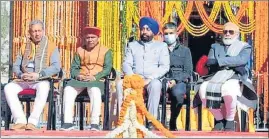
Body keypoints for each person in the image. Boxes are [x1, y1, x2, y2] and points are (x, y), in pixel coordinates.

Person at [196, 22, 257, 131]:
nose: (227, 34)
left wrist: (219, 61)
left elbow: (241, 60)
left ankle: (229, 120)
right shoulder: (215, 46)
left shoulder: (244, 47)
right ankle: (219, 120)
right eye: (225, 31)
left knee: (228, 89)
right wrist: (230, 62)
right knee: (202, 90)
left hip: (235, 75)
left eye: (231, 32)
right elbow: (210, 61)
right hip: (216, 75)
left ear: (237, 34)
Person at [4, 20, 61, 130]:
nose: (37, 33)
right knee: (8, 87)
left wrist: (38, 75)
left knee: (44, 87)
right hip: (24, 80)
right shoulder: (24, 46)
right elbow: (16, 65)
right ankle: (20, 120)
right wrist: (21, 75)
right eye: (34, 31)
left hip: (42, 80)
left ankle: (32, 122)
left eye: (39, 30)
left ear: (43, 31)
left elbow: (56, 67)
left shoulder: (52, 46)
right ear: (29, 33)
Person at [116, 16, 170, 130]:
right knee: (120, 84)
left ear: (153, 32)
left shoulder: (161, 46)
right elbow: (126, 64)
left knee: (156, 85)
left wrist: (150, 79)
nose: (144, 31)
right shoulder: (132, 45)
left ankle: (151, 120)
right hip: (135, 77)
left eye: (148, 29)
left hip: (152, 79)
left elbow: (164, 66)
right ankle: (124, 118)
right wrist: (132, 77)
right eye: (142, 29)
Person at [60, 27, 113, 131]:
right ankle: (67, 122)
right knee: (68, 90)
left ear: (98, 38)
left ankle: (94, 124)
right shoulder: (79, 50)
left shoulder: (106, 51)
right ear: (84, 38)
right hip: (81, 79)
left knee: (94, 91)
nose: (90, 40)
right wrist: (78, 75)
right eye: (88, 37)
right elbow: (73, 68)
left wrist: (95, 77)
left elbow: (108, 69)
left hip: (97, 80)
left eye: (93, 37)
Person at [162, 22, 193, 131]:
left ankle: (173, 119)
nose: (168, 36)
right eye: (166, 33)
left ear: (176, 34)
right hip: (162, 79)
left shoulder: (185, 51)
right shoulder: (159, 49)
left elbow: (188, 71)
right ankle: (155, 122)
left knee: (178, 94)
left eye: (171, 33)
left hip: (178, 80)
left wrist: (175, 80)